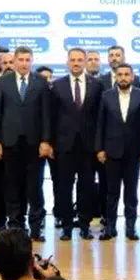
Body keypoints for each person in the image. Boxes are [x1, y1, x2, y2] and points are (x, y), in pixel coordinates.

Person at [0, 46, 52, 241]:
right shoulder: (4, 81)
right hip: (10, 142)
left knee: (35, 187)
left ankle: (36, 228)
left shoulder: (40, 82)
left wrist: (46, 141)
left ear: (31, 61)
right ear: (15, 61)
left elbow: (46, 114)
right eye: (21, 60)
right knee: (12, 185)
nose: (24, 63)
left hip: (35, 143)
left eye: (28, 60)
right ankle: (15, 227)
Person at [51, 48, 102, 241]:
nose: (76, 63)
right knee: (64, 187)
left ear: (85, 62)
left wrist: (99, 145)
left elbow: (100, 118)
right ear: (67, 62)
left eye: (80, 60)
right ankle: (66, 225)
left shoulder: (96, 85)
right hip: (64, 145)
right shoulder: (57, 85)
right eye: (73, 60)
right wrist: (50, 143)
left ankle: (84, 225)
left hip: (88, 146)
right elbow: (51, 117)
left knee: (86, 187)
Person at [95, 64, 140, 240]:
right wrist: (100, 148)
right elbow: (100, 124)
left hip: (134, 152)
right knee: (112, 192)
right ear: (116, 77)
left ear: (132, 77)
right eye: (120, 74)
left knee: (131, 192)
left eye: (127, 74)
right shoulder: (106, 96)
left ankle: (130, 228)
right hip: (111, 151)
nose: (123, 77)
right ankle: (110, 227)